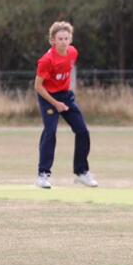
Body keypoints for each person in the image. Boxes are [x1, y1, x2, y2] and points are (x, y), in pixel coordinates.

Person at [33, 21, 97, 189]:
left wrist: (64, 100)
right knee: (50, 131)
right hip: (48, 97)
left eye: (66, 38)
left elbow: (65, 73)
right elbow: (38, 86)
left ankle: (81, 172)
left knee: (82, 131)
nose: (63, 41)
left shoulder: (73, 53)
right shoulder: (46, 61)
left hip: (65, 96)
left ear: (70, 39)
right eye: (60, 38)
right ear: (53, 41)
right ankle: (43, 174)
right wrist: (55, 103)